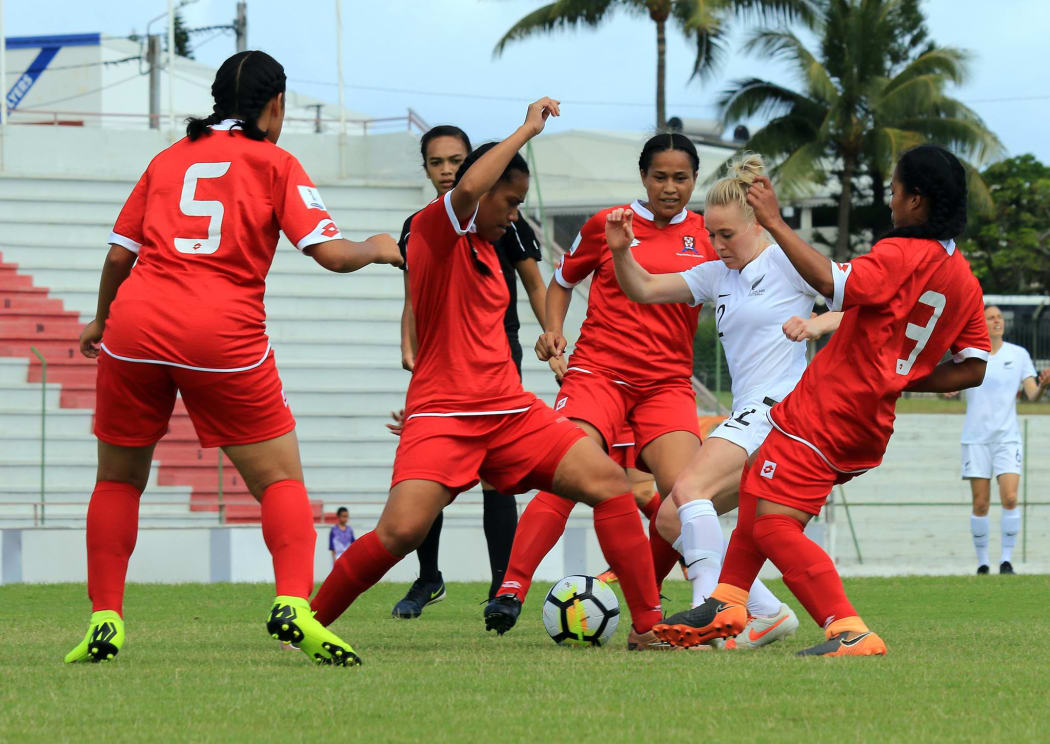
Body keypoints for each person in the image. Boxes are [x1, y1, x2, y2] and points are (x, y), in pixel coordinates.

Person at [63, 51, 402, 667]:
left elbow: (119, 257)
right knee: (278, 479)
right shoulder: (275, 162)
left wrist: (101, 318)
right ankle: (292, 605)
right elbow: (328, 253)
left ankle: (105, 618)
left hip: (133, 328)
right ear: (276, 106)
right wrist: (378, 248)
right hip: (220, 333)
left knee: (117, 479)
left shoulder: (167, 158)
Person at [309, 98, 669, 653]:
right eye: (510, 201)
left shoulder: (489, 249)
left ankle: (650, 629)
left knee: (609, 485)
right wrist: (527, 129)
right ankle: (306, 622)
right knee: (400, 533)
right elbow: (471, 190)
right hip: (444, 416)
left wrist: (549, 340)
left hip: (510, 413)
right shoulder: (437, 227)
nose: (514, 215)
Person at [653, 144, 990, 656]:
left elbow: (831, 282)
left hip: (829, 409)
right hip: (866, 419)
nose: (892, 200)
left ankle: (847, 629)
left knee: (772, 524)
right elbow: (973, 368)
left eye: (896, 189)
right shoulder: (963, 279)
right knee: (757, 482)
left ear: (916, 200)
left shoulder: (901, 253)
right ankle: (727, 599)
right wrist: (900, 377)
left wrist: (775, 221)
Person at [483, 134, 768, 636]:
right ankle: (511, 589)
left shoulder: (710, 236)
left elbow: (756, 273)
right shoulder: (608, 223)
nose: (670, 187)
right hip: (598, 374)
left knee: (683, 498)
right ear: (643, 177)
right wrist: (554, 332)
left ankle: (699, 608)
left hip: (666, 384)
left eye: (681, 178)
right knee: (568, 472)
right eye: (660, 176)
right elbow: (562, 282)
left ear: (694, 181)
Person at [608, 153, 847, 648]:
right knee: (673, 516)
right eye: (711, 235)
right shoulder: (717, 275)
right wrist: (620, 254)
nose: (717, 245)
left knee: (689, 488)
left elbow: (864, 305)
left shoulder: (787, 261)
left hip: (780, 409)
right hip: (748, 413)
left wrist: (818, 323)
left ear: (756, 224)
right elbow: (645, 289)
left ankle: (711, 614)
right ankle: (765, 612)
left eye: (727, 235)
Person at [390, 125, 547, 618]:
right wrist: (407, 340)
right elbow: (416, 291)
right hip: (442, 361)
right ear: (425, 169)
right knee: (429, 471)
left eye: (455, 160)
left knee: (496, 475)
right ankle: (427, 578)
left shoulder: (507, 217)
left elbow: (535, 283)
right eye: (436, 162)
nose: (447, 170)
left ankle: (504, 587)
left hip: (498, 355)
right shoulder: (420, 223)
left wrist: (555, 338)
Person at [948, 305, 1048, 574]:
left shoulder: (1018, 355)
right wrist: (948, 389)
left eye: (1000, 317)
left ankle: (1006, 561)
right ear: (981, 323)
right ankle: (982, 563)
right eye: (991, 318)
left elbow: (1032, 395)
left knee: (1011, 498)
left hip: (1007, 439)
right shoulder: (970, 356)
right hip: (976, 439)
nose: (997, 321)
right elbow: (952, 384)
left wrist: (1043, 386)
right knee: (980, 504)